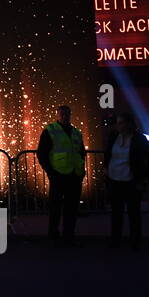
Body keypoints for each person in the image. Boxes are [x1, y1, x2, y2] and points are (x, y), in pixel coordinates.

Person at [37, 105, 86, 246]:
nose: (65, 116)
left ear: (70, 115)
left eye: (67, 114)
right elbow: (42, 153)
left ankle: (68, 235)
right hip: (58, 175)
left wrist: (81, 171)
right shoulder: (50, 130)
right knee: (56, 207)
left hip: (74, 175)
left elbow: (81, 152)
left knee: (71, 207)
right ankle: (54, 234)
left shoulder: (76, 132)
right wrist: (50, 172)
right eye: (62, 114)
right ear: (57, 115)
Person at [105, 111, 149, 250]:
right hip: (115, 180)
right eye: (118, 123)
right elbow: (108, 153)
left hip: (131, 181)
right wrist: (105, 167)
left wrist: (143, 176)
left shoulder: (139, 139)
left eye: (121, 123)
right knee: (116, 214)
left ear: (128, 124)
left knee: (133, 214)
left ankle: (134, 242)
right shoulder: (114, 136)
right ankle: (116, 241)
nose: (118, 126)